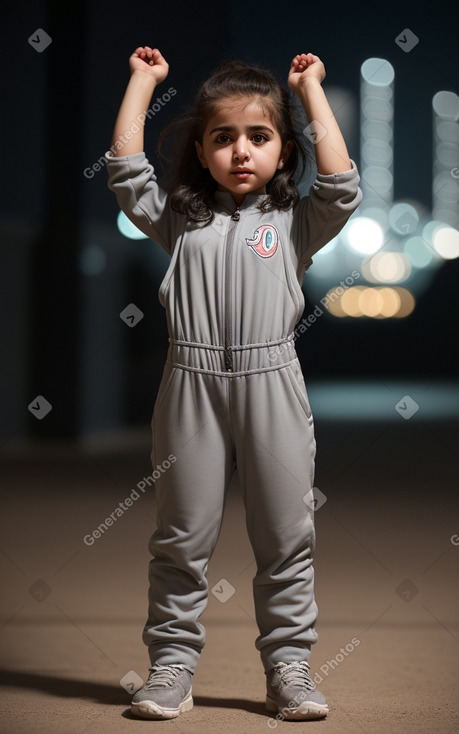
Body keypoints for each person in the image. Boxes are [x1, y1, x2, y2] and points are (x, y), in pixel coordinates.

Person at [106, 46, 362, 722]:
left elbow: (340, 185)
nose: (240, 151)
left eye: (258, 135)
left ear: (282, 149)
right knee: (180, 539)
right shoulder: (178, 219)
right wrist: (143, 83)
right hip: (187, 388)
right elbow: (126, 170)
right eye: (222, 138)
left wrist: (309, 92)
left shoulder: (293, 223)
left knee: (285, 536)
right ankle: (171, 669)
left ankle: (289, 670)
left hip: (272, 383)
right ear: (200, 149)